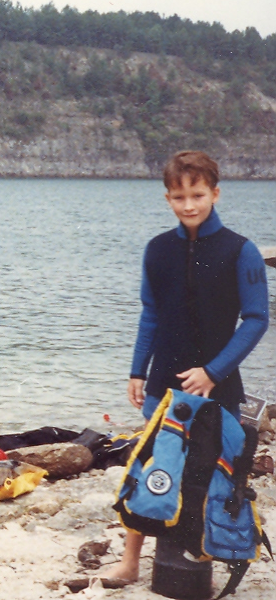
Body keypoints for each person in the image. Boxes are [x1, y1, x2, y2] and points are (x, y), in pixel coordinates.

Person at [104, 150, 269, 584]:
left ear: (215, 193)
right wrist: (137, 370)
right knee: (150, 465)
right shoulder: (158, 250)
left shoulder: (241, 251)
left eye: (197, 195)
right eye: (179, 197)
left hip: (218, 383)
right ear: (167, 199)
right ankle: (130, 562)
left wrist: (213, 372)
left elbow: (257, 319)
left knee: (212, 471)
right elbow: (151, 314)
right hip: (164, 380)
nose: (189, 205)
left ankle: (203, 554)